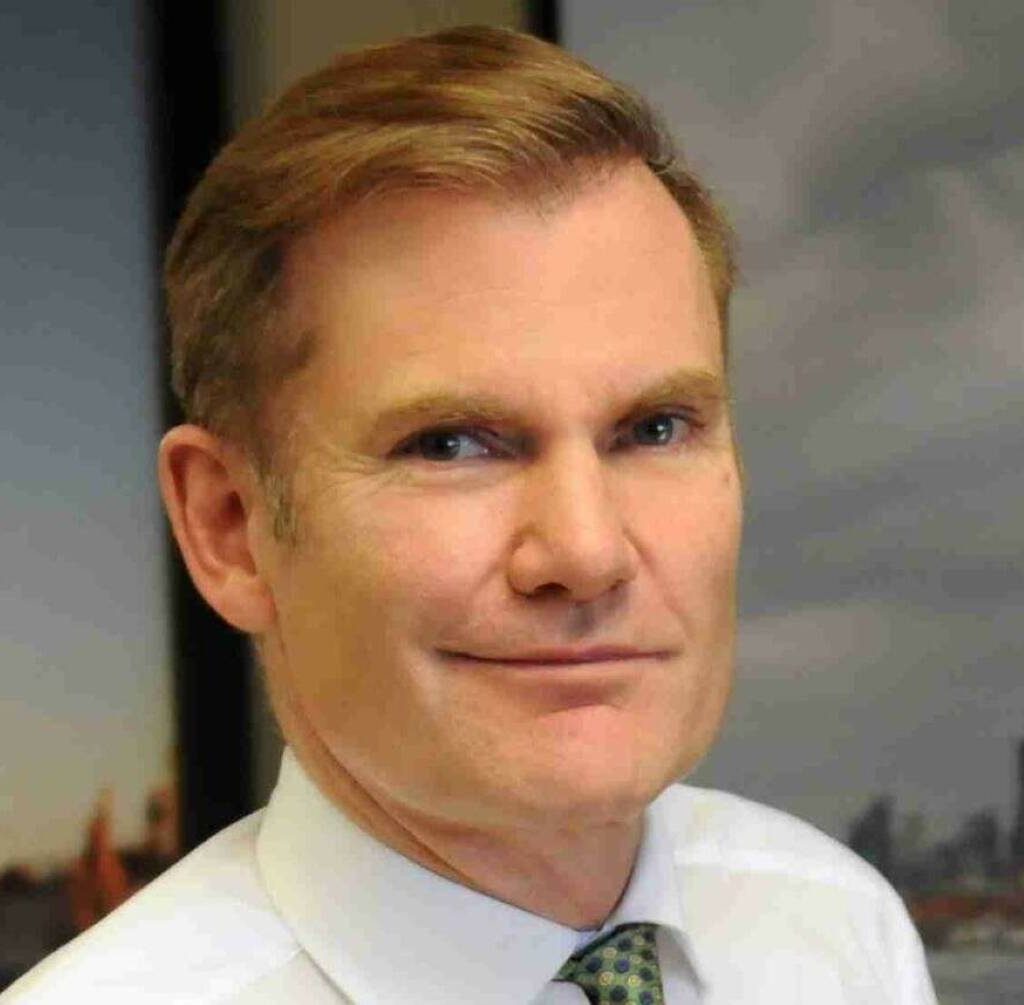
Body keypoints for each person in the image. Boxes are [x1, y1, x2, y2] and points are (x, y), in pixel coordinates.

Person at [2, 25, 938, 1004]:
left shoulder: (838, 928)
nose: (585, 552)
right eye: (451, 443)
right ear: (230, 529)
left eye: (654, 428)